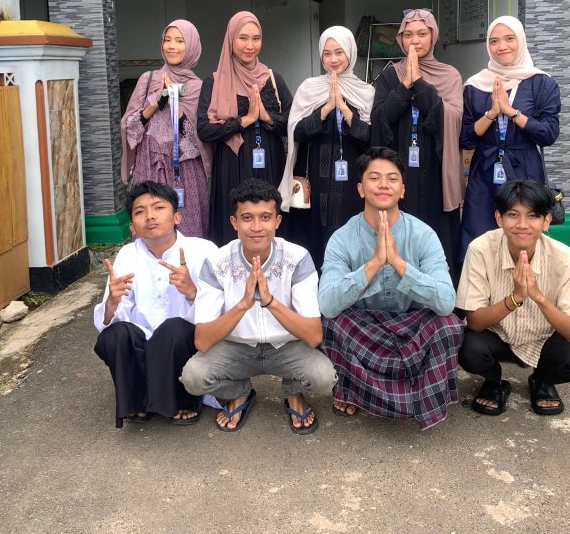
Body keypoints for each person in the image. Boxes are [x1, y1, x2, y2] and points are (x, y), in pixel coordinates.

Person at [319, 147, 463, 430]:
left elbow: (447, 301)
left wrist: (398, 263)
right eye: (374, 178)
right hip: (363, 327)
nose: (383, 184)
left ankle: (381, 395)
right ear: (360, 189)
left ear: (403, 190)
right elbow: (327, 304)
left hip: (412, 324)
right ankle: (355, 390)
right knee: (331, 324)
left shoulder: (423, 235)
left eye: (392, 178)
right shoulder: (342, 238)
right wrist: (374, 263)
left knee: (449, 326)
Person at [180, 179, 336, 434]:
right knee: (194, 378)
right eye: (247, 218)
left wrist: (270, 302)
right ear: (234, 222)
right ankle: (240, 391)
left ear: (277, 221)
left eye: (265, 217)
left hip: (287, 347)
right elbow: (203, 341)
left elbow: (313, 335)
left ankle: (294, 392)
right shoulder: (216, 263)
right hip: (236, 348)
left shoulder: (297, 258)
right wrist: (243, 304)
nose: (256, 227)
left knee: (323, 378)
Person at [457, 179, 570, 417]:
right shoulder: (480, 249)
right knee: (464, 346)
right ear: (499, 218)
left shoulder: (566, 259)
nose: (522, 225)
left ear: (546, 221)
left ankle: (542, 380)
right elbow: (475, 322)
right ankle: (495, 382)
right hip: (497, 336)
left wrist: (538, 296)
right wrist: (515, 297)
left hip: (544, 339)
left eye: (533, 216)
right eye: (513, 215)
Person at [93, 181, 218, 428]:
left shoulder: (203, 251)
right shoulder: (127, 255)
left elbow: (220, 313)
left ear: (177, 217)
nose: (150, 216)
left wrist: (191, 292)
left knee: (173, 329)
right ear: (132, 226)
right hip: (144, 345)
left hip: (185, 345)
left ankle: (183, 400)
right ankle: (137, 402)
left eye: (159, 208)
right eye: (140, 212)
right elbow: (109, 322)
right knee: (113, 336)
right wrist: (112, 302)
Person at [459, 16, 560, 261]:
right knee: (478, 237)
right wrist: (492, 113)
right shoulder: (476, 85)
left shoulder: (541, 82)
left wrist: (512, 112)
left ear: (521, 41)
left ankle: (524, 282)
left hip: (525, 169)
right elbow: (467, 139)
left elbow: (548, 134)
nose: (501, 46)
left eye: (509, 39)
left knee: (522, 234)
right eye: (494, 41)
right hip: (485, 170)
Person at [370, 8, 463, 274]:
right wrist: (404, 87)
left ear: (433, 36)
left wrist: (419, 83)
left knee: (436, 234)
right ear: (401, 39)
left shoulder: (449, 75)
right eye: (408, 35)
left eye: (422, 34)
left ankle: (437, 287)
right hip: (397, 167)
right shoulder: (390, 75)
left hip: (435, 166)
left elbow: (453, 117)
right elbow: (379, 119)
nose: (415, 41)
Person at [279, 25, 374, 269]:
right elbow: (296, 132)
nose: (333, 59)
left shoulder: (365, 92)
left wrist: (343, 108)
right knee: (313, 238)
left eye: (339, 52)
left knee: (349, 235)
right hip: (315, 181)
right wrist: (325, 109)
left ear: (350, 53)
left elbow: (369, 139)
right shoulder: (309, 88)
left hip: (350, 182)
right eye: (327, 53)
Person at [198, 11, 292, 245]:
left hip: (270, 162)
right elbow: (204, 129)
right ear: (231, 39)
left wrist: (266, 117)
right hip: (232, 165)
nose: (250, 46)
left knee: (269, 221)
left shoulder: (273, 79)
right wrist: (244, 120)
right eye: (243, 38)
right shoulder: (215, 81)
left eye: (256, 38)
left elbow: (292, 123)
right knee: (234, 224)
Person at [119, 19, 211, 237]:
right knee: (150, 223)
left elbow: (201, 139)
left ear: (191, 46)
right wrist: (154, 104)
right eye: (167, 40)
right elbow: (130, 128)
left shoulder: (199, 88)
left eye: (179, 41)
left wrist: (174, 103)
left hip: (185, 170)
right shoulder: (148, 79)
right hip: (150, 163)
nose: (171, 46)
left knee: (187, 228)